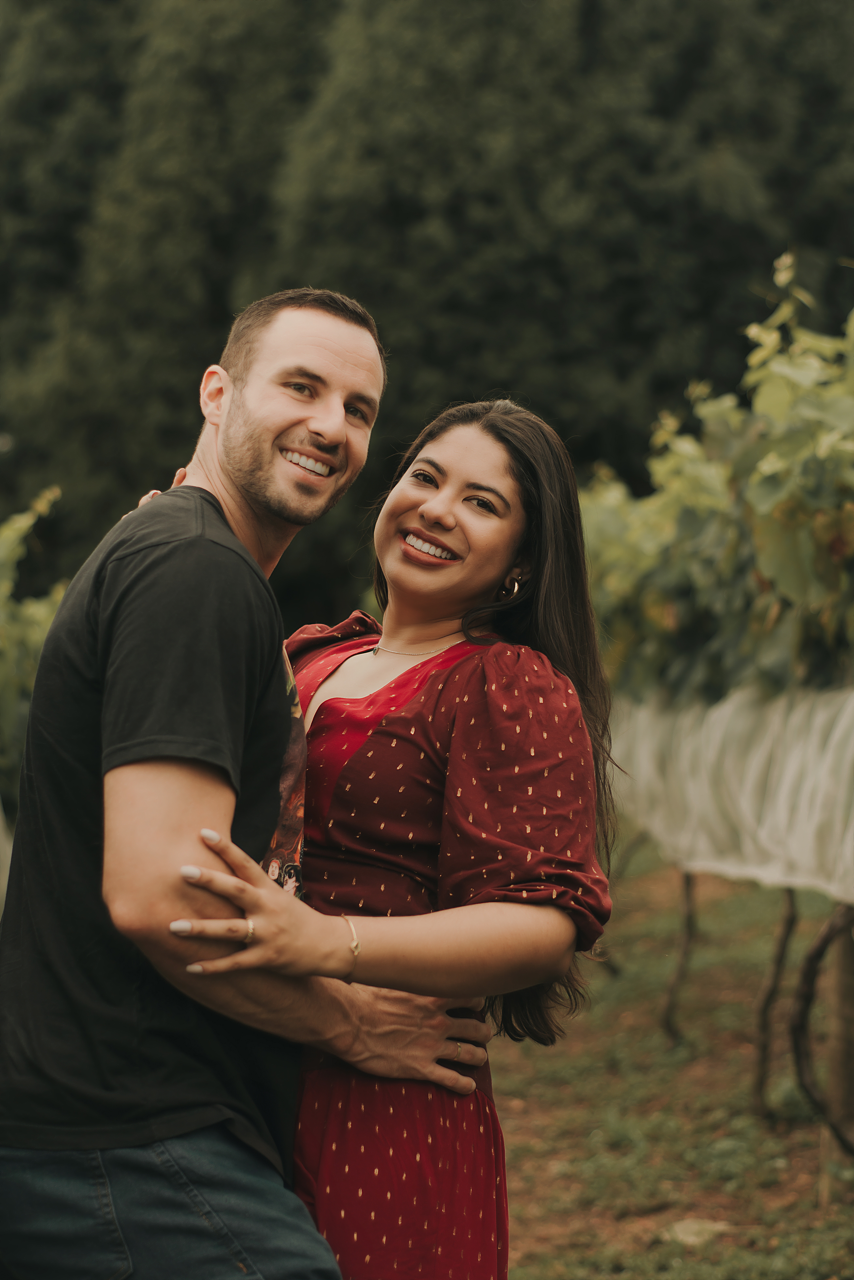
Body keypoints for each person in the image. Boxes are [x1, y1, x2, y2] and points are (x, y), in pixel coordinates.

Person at [0, 289, 490, 1280]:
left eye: (357, 409)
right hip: (126, 1135)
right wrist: (348, 1017)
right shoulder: (195, 570)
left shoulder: (185, 558)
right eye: (300, 386)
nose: (330, 425)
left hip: (104, 1130)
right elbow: (157, 896)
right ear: (216, 392)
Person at [168, 400, 614, 1279]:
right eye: (425, 477)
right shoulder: (311, 653)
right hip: (245, 1053)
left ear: (522, 562)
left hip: (382, 1090)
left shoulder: (504, 682)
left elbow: (541, 924)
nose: (438, 509)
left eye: (484, 503)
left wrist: (324, 940)